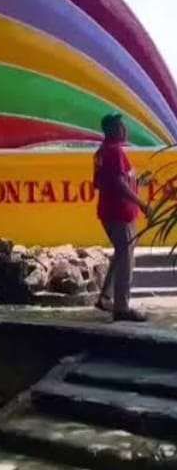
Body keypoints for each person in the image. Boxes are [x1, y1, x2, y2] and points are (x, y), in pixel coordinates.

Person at [93, 113, 150, 322]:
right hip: (119, 214)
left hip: (113, 212)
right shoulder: (114, 151)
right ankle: (121, 308)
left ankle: (106, 298)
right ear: (110, 130)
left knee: (121, 255)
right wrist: (143, 204)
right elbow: (118, 184)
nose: (124, 129)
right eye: (120, 126)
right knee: (126, 260)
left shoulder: (102, 152)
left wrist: (137, 182)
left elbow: (105, 182)